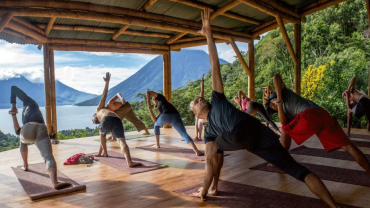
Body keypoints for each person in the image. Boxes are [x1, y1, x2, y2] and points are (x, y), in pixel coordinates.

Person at [189, 9, 341, 208]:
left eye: (199, 97)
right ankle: (210, 189)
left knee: (296, 170)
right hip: (252, 137)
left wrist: (208, 34)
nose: (199, 98)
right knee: (211, 154)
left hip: (256, 133)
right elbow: (208, 166)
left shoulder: (217, 100)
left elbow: (215, 65)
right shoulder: (209, 133)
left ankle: (334, 205)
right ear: (197, 114)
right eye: (195, 102)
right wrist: (204, 190)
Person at [265, 74, 370, 176]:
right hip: (321, 117)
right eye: (271, 106)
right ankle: (279, 160)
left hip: (312, 115)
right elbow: (284, 130)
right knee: (285, 127)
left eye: (272, 101)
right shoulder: (284, 112)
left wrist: (278, 98)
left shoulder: (284, 93)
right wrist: (278, 105)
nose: (272, 104)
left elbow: (276, 77)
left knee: (349, 147)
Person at [9, 86, 71, 189]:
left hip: (28, 129)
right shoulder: (32, 107)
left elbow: (14, 88)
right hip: (42, 129)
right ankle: (55, 182)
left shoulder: (28, 101)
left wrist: (13, 109)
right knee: (48, 157)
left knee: (22, 140)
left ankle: (26, 166)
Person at [92, 72, 142, 167]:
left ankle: (104, 153)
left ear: (95, 116)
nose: (94, 121)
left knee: (101, 134)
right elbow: (105, 96)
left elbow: (104, 95)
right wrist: (107, 82)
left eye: (93, 120)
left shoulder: (99, 109)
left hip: (107, 119)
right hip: (117, 119)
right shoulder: (103, 110)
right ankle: (129, 162)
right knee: (121, 141)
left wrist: (107, 83)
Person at [146, 91, 203, 156]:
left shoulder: (161, 98)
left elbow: (148, 92)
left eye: (153, 98)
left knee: (156, 125)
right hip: (175, 115)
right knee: (184, 134)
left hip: (167, 116)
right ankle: (196, 151)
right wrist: (150, 109)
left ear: (155, 99)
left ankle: (157, 144)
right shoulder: (161, 108)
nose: (153, 99)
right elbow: (155, 119)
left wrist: (148, 103)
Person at [195, 74, 206, 141]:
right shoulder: (197, 109)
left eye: (201, 99)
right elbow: (196, 124)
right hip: (203, 118)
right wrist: (196, 135)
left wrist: (202, 82)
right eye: (200, 100)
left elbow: (202, 92)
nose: (201, 100)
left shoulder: (205, 104)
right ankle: (199, 136)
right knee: (199, 122)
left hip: (208, 117)